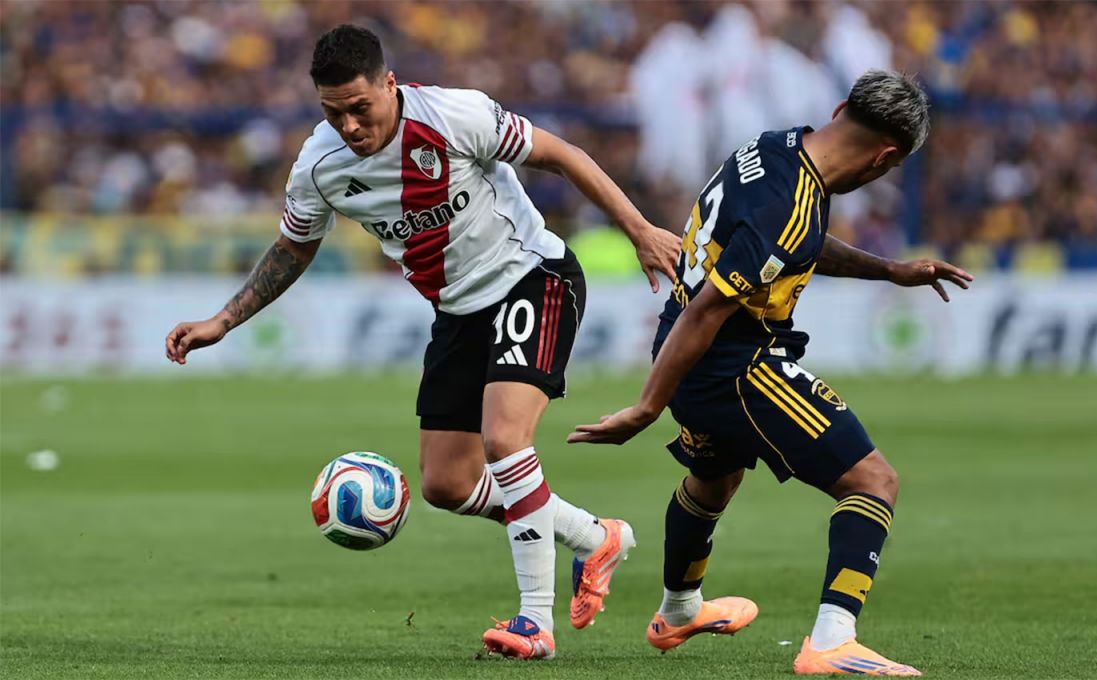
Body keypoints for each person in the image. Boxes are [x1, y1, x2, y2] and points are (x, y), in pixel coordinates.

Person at [164, 24, 680, 660]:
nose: (350, 125)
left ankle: (534, 622)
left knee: (504, 440)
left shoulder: (453, 115)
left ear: (389, 83)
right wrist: (224, 320)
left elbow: (562, 154)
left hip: (532, 276)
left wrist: (638, 229)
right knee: (447, 483)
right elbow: (294, 246)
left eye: (360, 107)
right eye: (333, 112)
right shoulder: (319, 166)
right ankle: (596, 538)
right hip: (458, 312)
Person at [569, 70, 972, 676]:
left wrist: (891, 270)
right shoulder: (794, 203)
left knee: (714, 480)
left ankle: (678, 611)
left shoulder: (773, 147)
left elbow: (797, 244)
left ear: (840, 109)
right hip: (732, 362)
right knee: (873, 481)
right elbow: (713, 308)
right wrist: (646, 408)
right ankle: (832, 641)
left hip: (684, 343)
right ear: (885, 158)